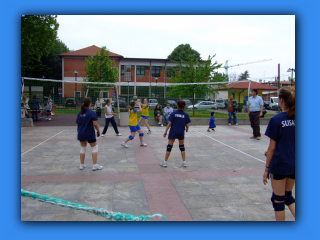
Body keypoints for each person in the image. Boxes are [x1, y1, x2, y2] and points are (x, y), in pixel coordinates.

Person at [263, 86, 295, 221]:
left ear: (281, 100)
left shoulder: (276, 120)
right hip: (294, 163)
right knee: (287, 196)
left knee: (278, 199)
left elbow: (272, 148)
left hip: (280, 163)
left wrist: (267, 169)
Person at [162, 100, 191, 167]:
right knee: (182, 147)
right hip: (181, 132)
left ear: (177, 105)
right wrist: (187, 129)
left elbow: (170, 123)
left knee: (169, 147)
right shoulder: (185, 114)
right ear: (184, 106)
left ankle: (165, 162)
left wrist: (166, 131)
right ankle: (184, 162)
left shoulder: (173, 113)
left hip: (173, 132)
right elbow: (187, 125)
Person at [76, 98, 103, 171]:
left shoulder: (80, 113)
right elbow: (95, 124)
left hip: (81, 132)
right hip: (89, 133)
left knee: (83, 148)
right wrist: (98, 131)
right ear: (90, 103)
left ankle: (81, 165)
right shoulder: (92, 113)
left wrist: (79, 130)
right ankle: (94, 165)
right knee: (94, 147)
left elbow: (77, 123)